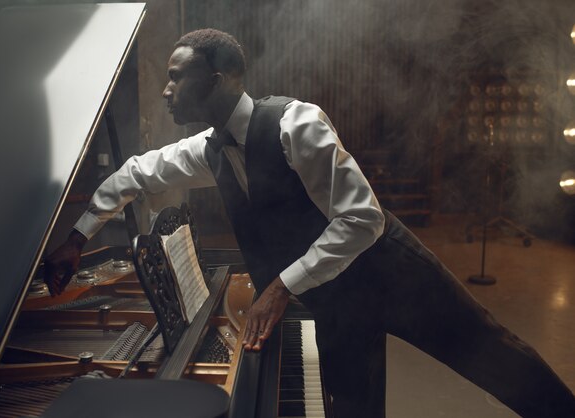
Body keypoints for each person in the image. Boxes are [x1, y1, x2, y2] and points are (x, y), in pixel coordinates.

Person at [45, 28, 575, 417]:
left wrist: (281, 287)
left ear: (217, 78)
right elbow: (140, 171)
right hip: (337, 301)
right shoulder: (210, 150)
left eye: (175, 77)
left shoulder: (296, 122)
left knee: (495, 358)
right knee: (352, 408)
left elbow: (362, 219)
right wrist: (77, 235)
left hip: (394, 275)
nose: (166, 90)